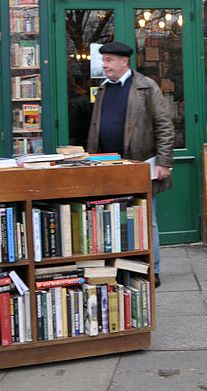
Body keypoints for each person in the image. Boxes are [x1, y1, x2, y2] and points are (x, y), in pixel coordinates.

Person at [86, 41, 174, 287]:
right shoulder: (103, 89)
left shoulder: (147, 87)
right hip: (107, 166)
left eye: (109, 60)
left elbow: (165, 126)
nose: (104, 65)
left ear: (124, 61)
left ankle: (151, 270)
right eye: (103, 60)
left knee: (147, 218)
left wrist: (164, 161)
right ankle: (122, 267)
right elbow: (96, 127)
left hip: (141, 165)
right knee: (113, 218)